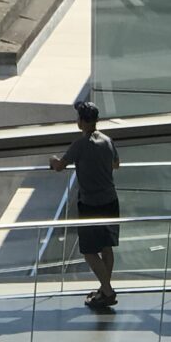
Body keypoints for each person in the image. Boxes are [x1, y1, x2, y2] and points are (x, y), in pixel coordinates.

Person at [51, 99, 121, 310]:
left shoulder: (79, 145)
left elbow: (60, 166)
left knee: (89, 251)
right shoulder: (107, 140)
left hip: (91, 204)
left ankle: (107, 291)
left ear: (81, 122)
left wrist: (52, 160)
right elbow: (116, 164)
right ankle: (104, 290)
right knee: (106, 247)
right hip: (110, 200)